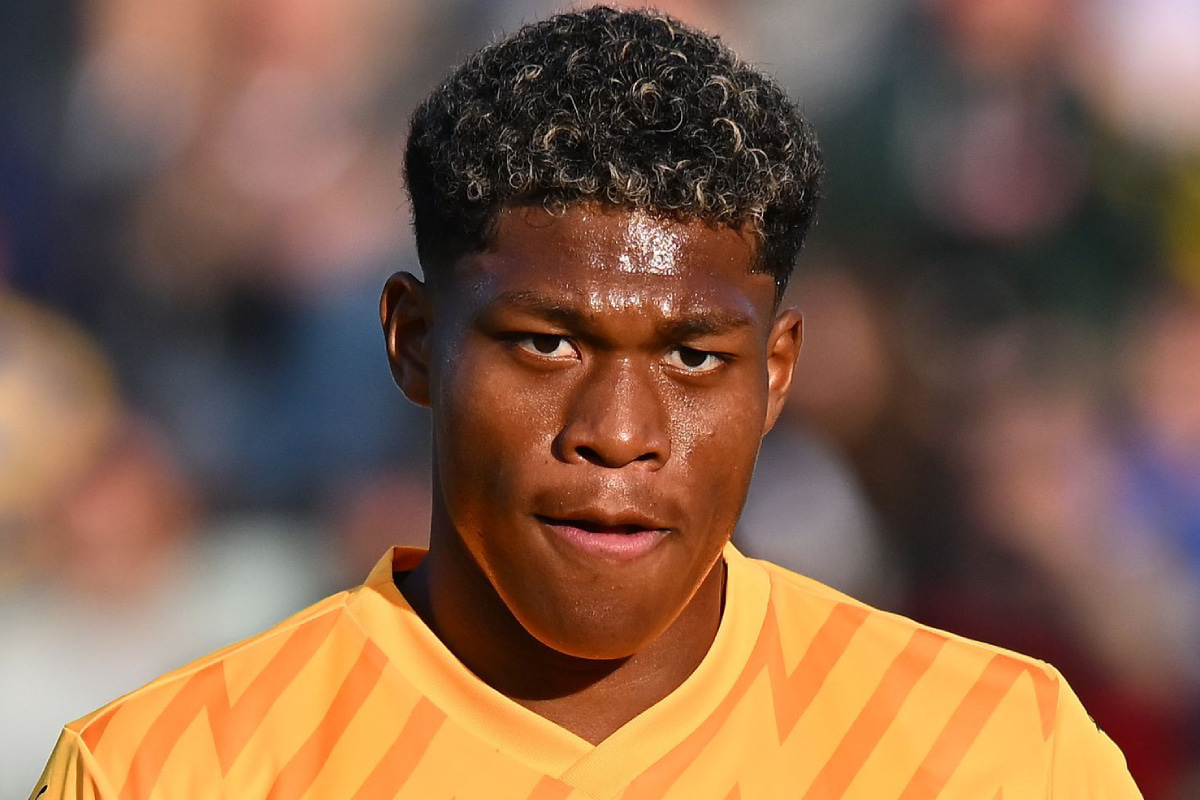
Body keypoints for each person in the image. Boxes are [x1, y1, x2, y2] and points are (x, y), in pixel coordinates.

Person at [32, 6, 1141, 798]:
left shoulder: (1002, 755)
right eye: (547, 343)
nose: (617, 432)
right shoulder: (167, 771)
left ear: (777, 376)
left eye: (694, 356)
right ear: (413, 341)